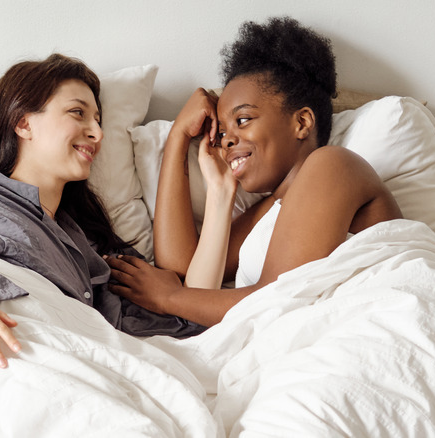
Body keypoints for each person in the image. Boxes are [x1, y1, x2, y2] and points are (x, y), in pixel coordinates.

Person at [0, 54, 204, 371]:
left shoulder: (86, 241)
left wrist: (174, 288)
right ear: (23, 123)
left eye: (99, 122)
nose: (98, 134)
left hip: (67, 351)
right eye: (78, 113)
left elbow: (171, 312)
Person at [106, 17, 402, 327]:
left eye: (243, 120)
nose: (227, 139)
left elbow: (277, 298)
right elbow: (180, 269)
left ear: (302, 123)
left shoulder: (333, 165)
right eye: (221, 133)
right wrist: (179, 136)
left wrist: (169, 299)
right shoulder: (268, 213)